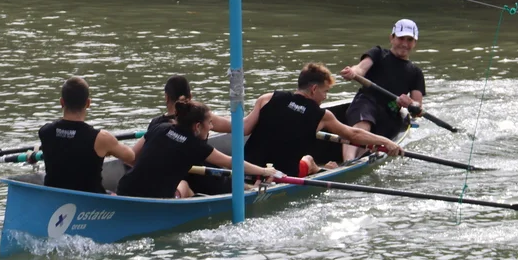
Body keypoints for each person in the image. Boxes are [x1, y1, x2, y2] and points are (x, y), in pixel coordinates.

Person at [242, 63, 404, 176]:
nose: (325, 97)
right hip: (282, 175)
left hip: (246, 169)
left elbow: (243, 129)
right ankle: (320, 169)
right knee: (309, 160)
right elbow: (353, 134)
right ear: (314, 89)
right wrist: (385, 141)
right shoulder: (322, 116)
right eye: (325, 91)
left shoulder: (267, 98)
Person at [117, 99, 280, 198]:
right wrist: (264, 171)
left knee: (182, 183)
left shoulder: (159, 127)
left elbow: (131, 157)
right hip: (154, 199)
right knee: (185, 186)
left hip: (124, 189)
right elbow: (232, 163)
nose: (211, 127)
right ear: (197, 126)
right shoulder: (195, 145)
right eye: (209, 123)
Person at [340, 19, 426, 161]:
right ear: (392, 38)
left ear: (415, 43)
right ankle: (348, 162)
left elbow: (418, 107)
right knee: (364, 120)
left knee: (372, 139)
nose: (405, 44)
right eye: (401, 38)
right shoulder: (378, 53)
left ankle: (360, 158)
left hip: (390, 114)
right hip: (366, 102)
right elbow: (360, 69)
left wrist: (411, 104)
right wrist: (352, 72)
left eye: (410, 40)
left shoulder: (416, 72)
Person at [38, 76, 136, 194]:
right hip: (90, 202)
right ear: (88, 103)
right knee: (114, 194)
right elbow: (130, 156)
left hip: (55, 198)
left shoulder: (45, 131)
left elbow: (67, 147)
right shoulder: (101, 138)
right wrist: (108, 150)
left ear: (62, 102)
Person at [130, 75, 231, 157]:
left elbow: (133, 156)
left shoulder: (156, 124)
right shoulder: (201, 117)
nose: (211, 125)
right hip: (193, 171)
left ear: (166, 97)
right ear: (190, 96)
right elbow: (237, 127)